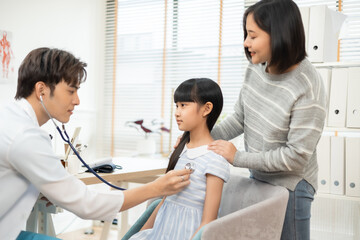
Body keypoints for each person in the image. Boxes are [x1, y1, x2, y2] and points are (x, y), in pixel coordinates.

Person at [0, 47, 191, 240]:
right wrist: (156, 188)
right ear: (41, 90)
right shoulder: (26, 136)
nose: (77, 101)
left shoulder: (11, 119)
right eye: (71, 91)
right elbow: (87, 204)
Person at [207, 1, 326, 239]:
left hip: (292, 184)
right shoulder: (256, 68)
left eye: (252, 35)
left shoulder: (307, 86)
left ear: (279, 35)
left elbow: (295, 157)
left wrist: (237, 157)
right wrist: (202, 137)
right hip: (260, 175)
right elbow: (241, 118)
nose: (246, 43)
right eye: (246, 34)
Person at [129, 78, 230, 240]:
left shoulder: (215, 159)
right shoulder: (180, 150)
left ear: (207, 109)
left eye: (184, 105)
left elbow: (208, 222)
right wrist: (140, 235)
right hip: (160, 233)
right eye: (176, 105)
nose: (177, 112)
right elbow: (164, 202)